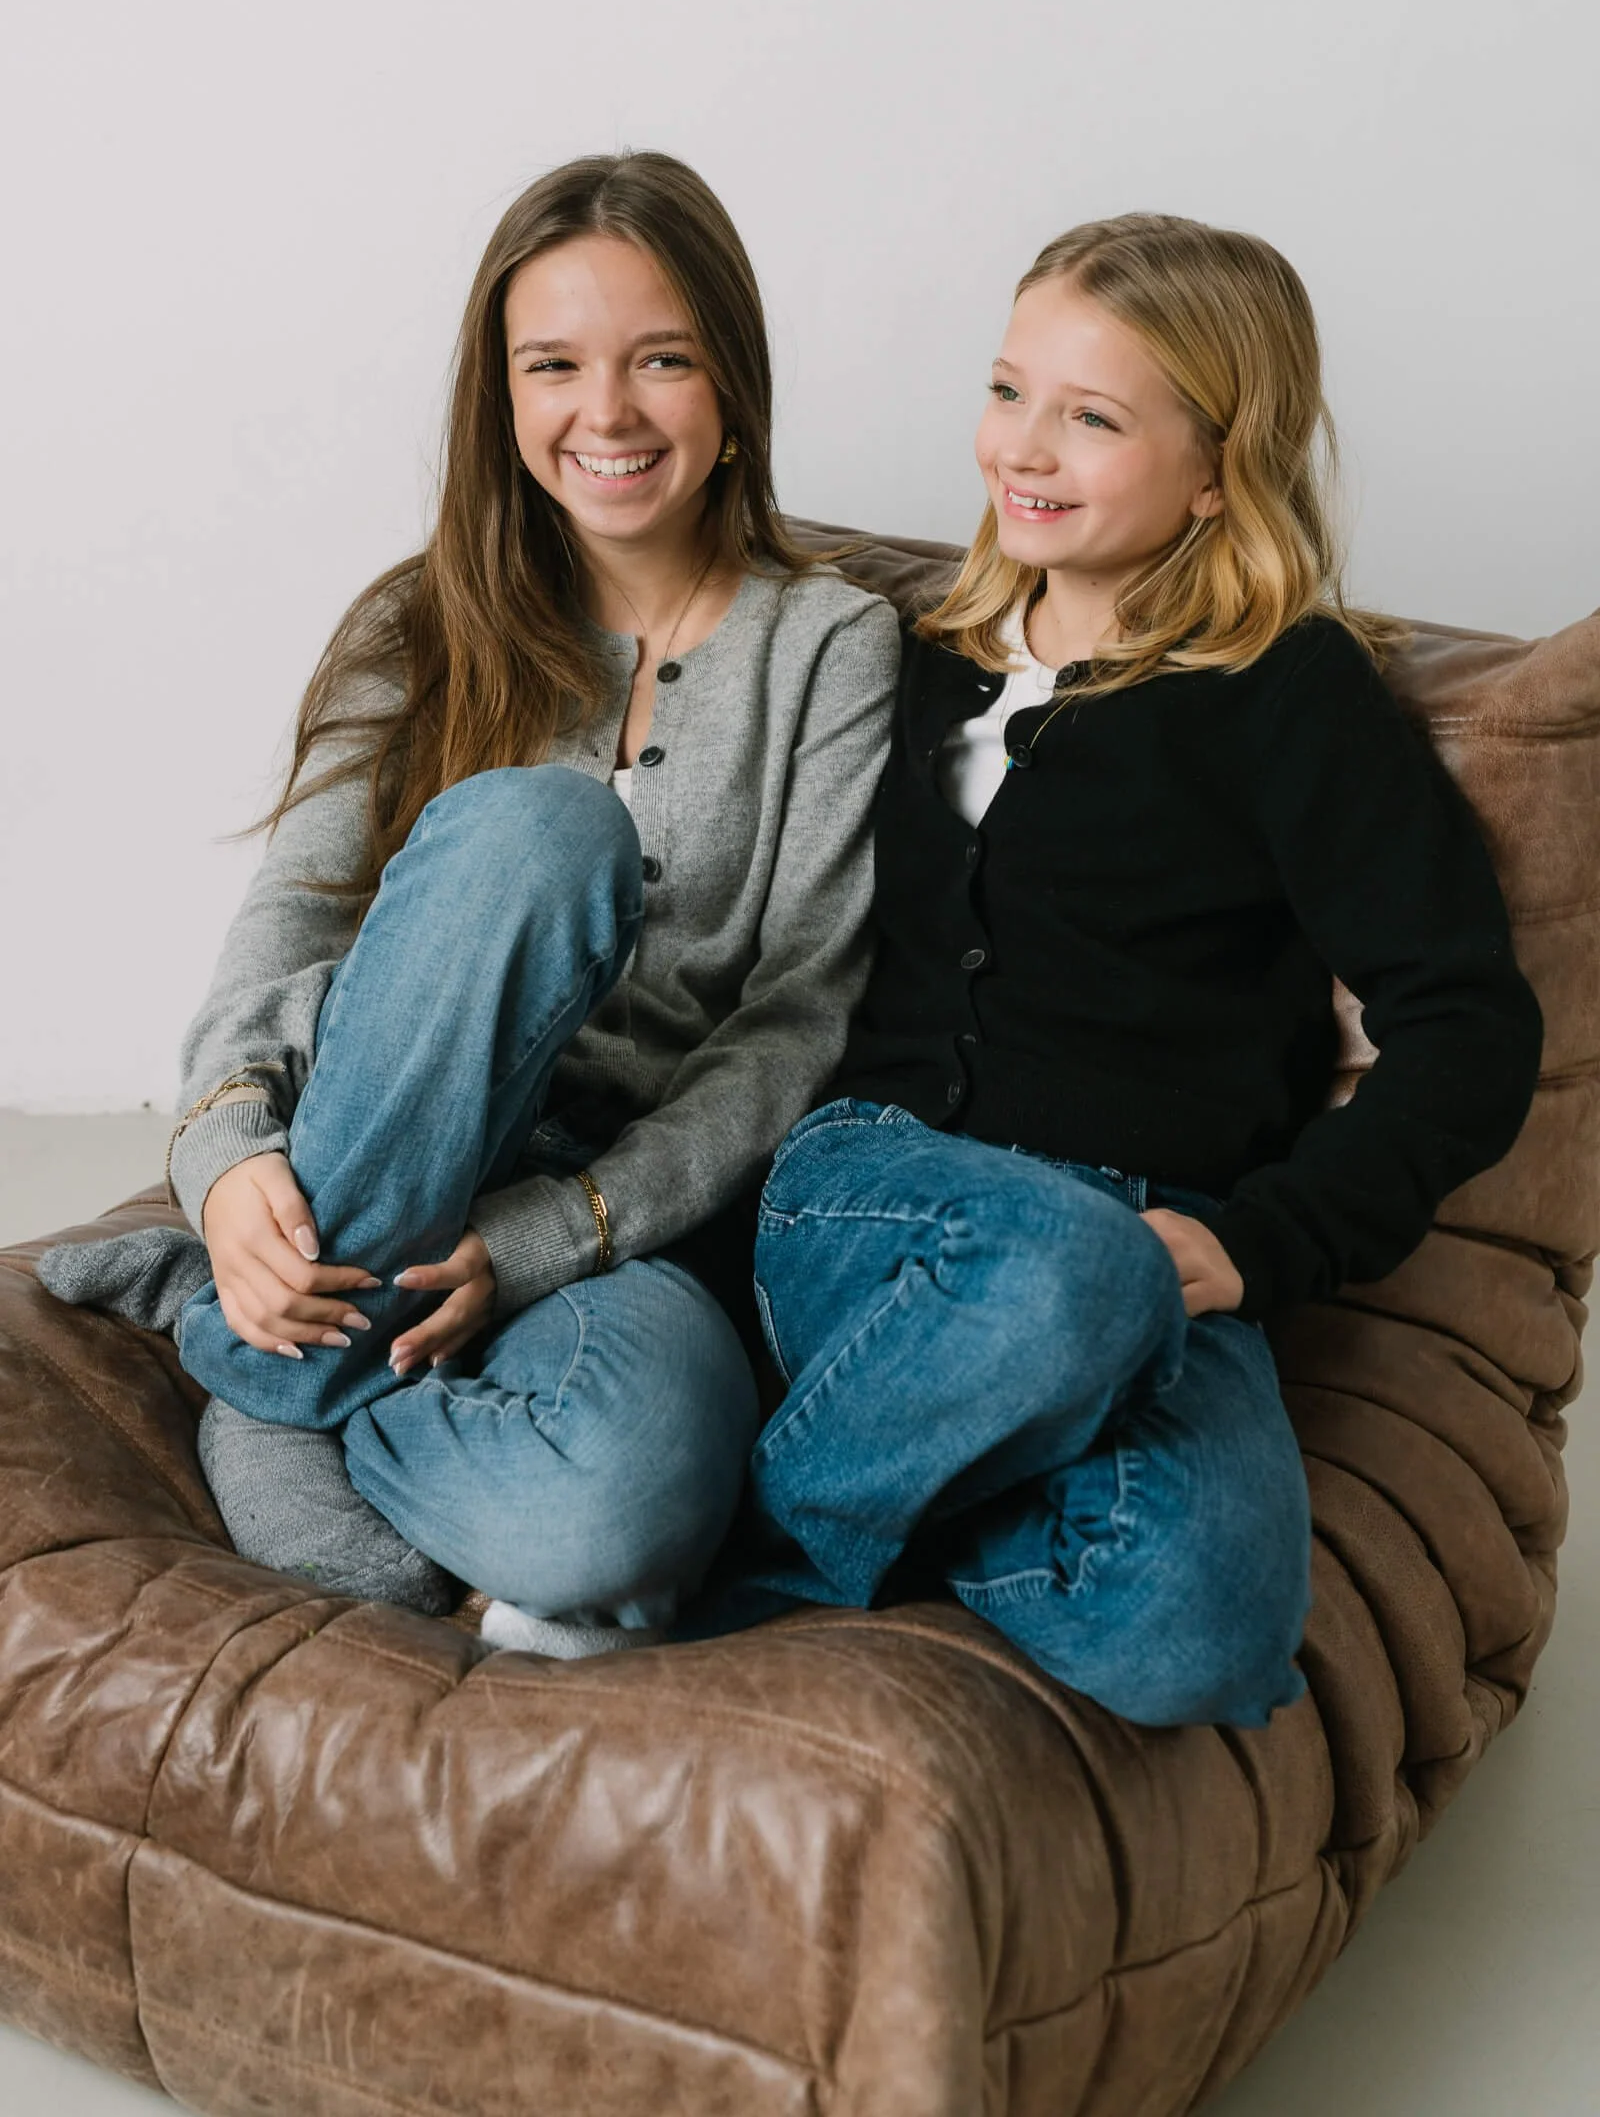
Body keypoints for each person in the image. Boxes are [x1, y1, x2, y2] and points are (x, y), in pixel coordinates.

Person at [43, 150, 899, 1655]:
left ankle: (273, 1380)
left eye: (662, 361)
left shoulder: (834, 645)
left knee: (628, 1504)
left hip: (609, 1225)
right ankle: (305, 1350)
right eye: (555, 366)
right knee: (541, 834)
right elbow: (285, 935)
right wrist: (232, 1161)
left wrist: (560, 1233)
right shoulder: (416, 619)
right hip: (379, 1144)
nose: (609, 413)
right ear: (502, 399)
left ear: (733, 383)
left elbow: (798, 1014)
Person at [693, 211, 1542, 1728]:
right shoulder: (902, 659)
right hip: (872, 1191)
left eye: (1093, 417)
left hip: (1155, 1251)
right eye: (1011, 390)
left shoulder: (1292, 696)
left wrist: (1267, 1245)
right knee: (1060, 1264)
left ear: (1221, 466)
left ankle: (874, 1473)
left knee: (1204, 1623)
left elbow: (1468, 1026)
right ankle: (743, 1578)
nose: (1026, 447)